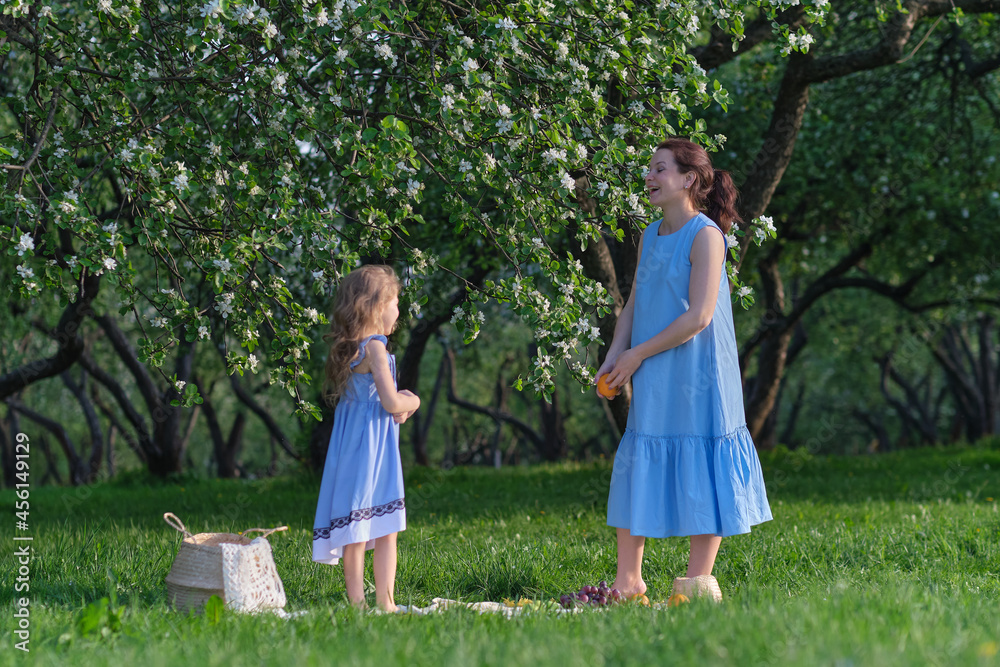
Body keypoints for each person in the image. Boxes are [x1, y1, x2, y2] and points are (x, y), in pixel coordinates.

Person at [596, 137, 772, 602]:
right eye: (650, 169)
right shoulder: (650, 234)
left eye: (659, 169)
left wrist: (639, 355)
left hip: (701, 373)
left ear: (689, 179)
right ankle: (628, 583)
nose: (649, 178)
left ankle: (696, 584)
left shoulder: (707, 236)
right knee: (640, 456)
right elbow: (635, 300)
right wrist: (617, 351)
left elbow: (699, 317)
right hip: (656, 364)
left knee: (704, 458)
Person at [312, 264, 420, 612]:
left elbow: (378, 402)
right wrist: (412, 400)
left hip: (362, 447)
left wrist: (396, 405)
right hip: (369, 450)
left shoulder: (357, 348)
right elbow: (389, 402)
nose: (398, 311)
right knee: (379, 529)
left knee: (364, 528)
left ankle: (364, 605)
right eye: (396, 302)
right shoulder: (374, 348)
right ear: (377, 306)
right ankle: (381, 603)